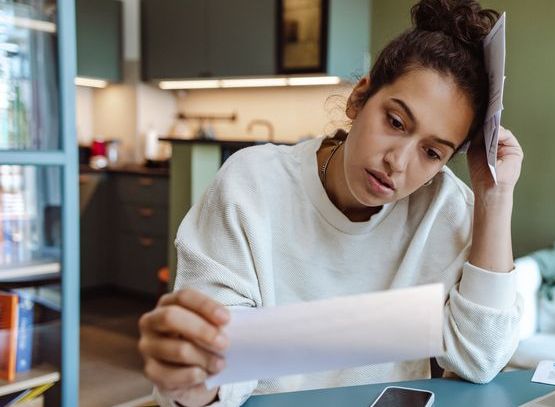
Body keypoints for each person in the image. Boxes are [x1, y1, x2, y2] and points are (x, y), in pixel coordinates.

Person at [138, 0, 525, 405]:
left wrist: (494, 197)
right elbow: (216, 366)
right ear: (359, 99)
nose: (398, 162)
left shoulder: (445, 208)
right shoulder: (250, 186)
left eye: (432, 152)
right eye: (395, 122)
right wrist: (195, 376)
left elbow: (481, 358)